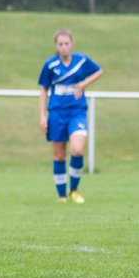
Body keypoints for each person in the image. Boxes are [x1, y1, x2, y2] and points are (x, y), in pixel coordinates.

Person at [37, 30, 102, 203]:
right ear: (56, 46)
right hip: (57, 113)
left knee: (77, 150)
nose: (64, 47)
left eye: (67, 43)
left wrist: (83, 84)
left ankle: (74, 189)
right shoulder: (50, 65)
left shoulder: (81, 61)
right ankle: (61, 196)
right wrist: (42, 116)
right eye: (60, 44)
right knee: (59, 155)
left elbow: (98, 71)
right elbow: (43, 89)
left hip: (77, 112)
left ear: (72, 44)